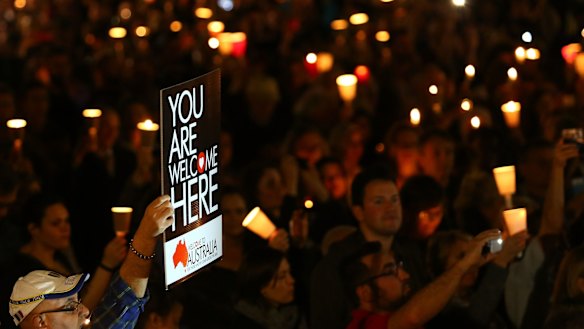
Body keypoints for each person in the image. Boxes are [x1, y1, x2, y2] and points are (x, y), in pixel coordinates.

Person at [8, 195, 174, 329]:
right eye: (71, 306)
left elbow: (124, 301)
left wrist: (146, 236)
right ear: (41, 323)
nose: (86, 310)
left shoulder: (61, 257)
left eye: (78, 302)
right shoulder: (20, 266)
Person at [309, 165, 429, 329]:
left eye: (394, 199)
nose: (390, 208)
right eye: (379, 201)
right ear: (359, 211)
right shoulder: (336, 264)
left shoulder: (410, 252)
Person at [342, 229, 502, 329]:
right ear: (366, 293)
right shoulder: (365, 325)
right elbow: (413, 316)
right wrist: (464, 264)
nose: (405, 275)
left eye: (400, 267)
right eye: (391, 271)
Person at [231, 247, 306, 329]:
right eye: (281, 277)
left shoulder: (295, 315)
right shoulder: (245, 323)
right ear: (262, 287)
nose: (291, 280)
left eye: (289, 273)